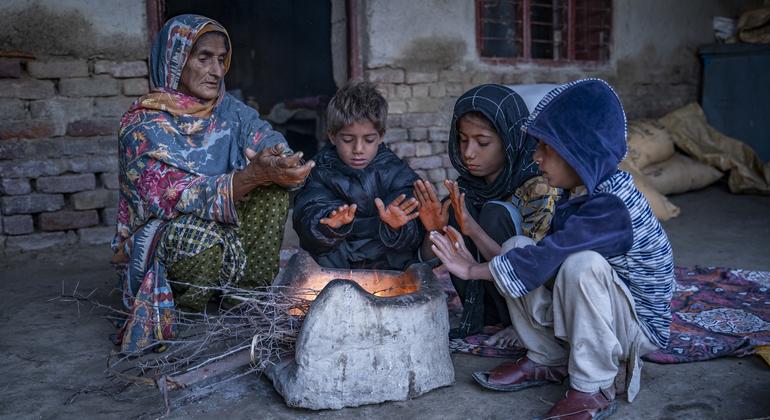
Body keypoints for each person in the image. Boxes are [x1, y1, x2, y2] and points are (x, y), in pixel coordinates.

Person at [429, 79, 674, 419]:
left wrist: (471, 270)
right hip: (603, 314)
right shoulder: (578, 193)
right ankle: (548, 358)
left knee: (582, 265)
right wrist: (471, 232)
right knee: (518, 246)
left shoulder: (611, 206)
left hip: (637, 328)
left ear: (578, 152)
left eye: (545, 147)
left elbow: (546, 260)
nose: (536, 157)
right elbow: (534, 259)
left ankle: (595, 384)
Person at [112, 15, 314, 354]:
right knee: (201, 237)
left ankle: (243, 294)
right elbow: (180, 197)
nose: (217, 71)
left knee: (273, 190)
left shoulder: (228, 110)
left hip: (224, 224)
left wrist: (281, 160)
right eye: (203, 58)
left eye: (222, 60)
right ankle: (189, 303)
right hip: (168, 232)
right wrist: (250, 176)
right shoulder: (141, 126)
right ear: (175, 59)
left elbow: (264, 135)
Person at [414, 84, 559, 346]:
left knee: (495, 213)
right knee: (460, 211)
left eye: (482, 142)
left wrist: (475, 231)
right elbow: (427, 263)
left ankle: (523, 324)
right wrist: (434, 231)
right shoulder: (467, 188)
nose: (469, 152)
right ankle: (486, 317)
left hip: (533, 300)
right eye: (462, 139)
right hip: (487, 302)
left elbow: (533, 267)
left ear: (510, 139)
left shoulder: (539, 186)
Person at [292, 82, 423, 270]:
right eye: (347, 140)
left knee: (405, 256)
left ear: (381, 136)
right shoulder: (320, 171)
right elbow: (307, 210)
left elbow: (413, 215)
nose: (358, 150)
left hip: (384, 261)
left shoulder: (395, 170)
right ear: (332, 136)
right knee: (320, 255)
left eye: (369, 140)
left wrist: (397, 226)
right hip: (340, 261)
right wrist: (328, 225)